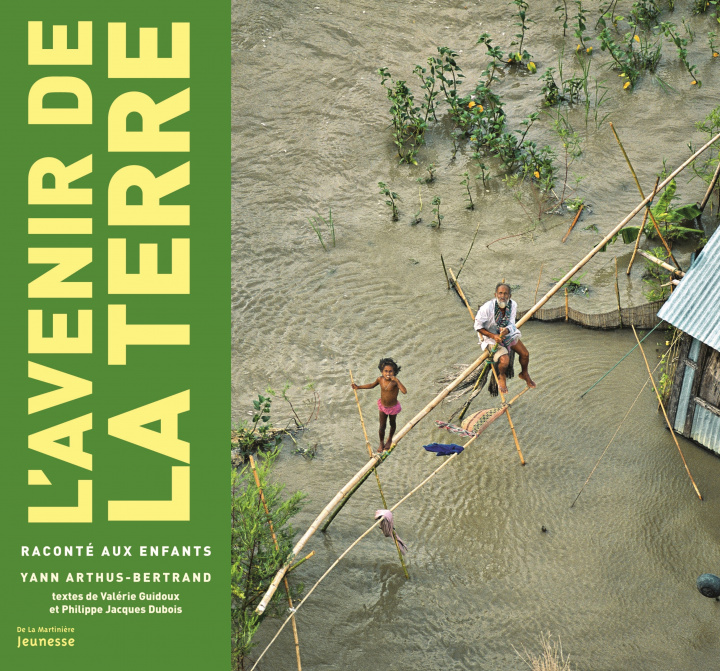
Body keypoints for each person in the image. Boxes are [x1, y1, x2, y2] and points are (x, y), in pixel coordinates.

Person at [474, 283, 535, 394]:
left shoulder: (513, 305)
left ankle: (524, 373)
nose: (502, 296)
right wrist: (493, 336)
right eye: (500, 293)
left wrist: (506, 330)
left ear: (509, 296)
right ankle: (501, 375)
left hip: (506, 334)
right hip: (490, 337)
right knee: (505, 360)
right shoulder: (487, 307)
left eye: (505, 293)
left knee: (525, 354)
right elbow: (477, 326)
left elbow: (511, 323)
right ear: (495, 294)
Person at [352, 357, 407, 452]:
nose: (388, 373)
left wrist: (397, 381)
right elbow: (371, 385)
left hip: (393, 408)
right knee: (382, 426)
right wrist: (358, 387)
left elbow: (404, 391)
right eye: (386, 371)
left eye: (390, 371)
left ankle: (389, 439)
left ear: (394, 373)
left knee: (392, 423)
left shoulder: (395, 382)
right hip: (383, 406)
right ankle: (381, 442)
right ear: (382, 372)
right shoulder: (380, 379)